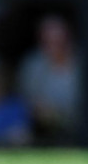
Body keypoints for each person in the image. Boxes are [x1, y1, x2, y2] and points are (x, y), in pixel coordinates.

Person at [17, 15, 81, 145]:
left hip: (79, 129)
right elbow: (24, 99)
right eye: (48, 41)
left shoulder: (84, 64)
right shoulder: (32, 64)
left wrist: (59, 115)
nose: (54, 46)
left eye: (59, 41)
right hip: (39, 128)